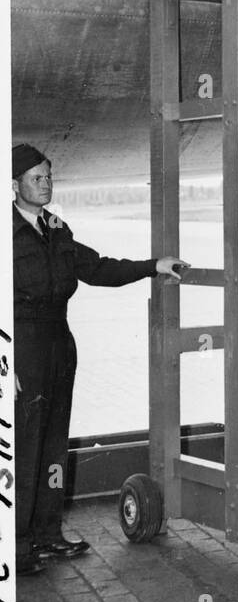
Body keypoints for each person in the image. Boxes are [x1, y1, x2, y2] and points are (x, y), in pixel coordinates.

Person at [11, 144, 188, 576]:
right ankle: (17, 543)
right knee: (24, 446)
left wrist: (154, 266)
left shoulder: (57, 230)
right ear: (14, 185)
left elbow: (97, 268)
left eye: (49, 176)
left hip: (58, 341)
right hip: (22, 347)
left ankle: (48, 532)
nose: (46, 184)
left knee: (54, 443)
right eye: (37, 178)